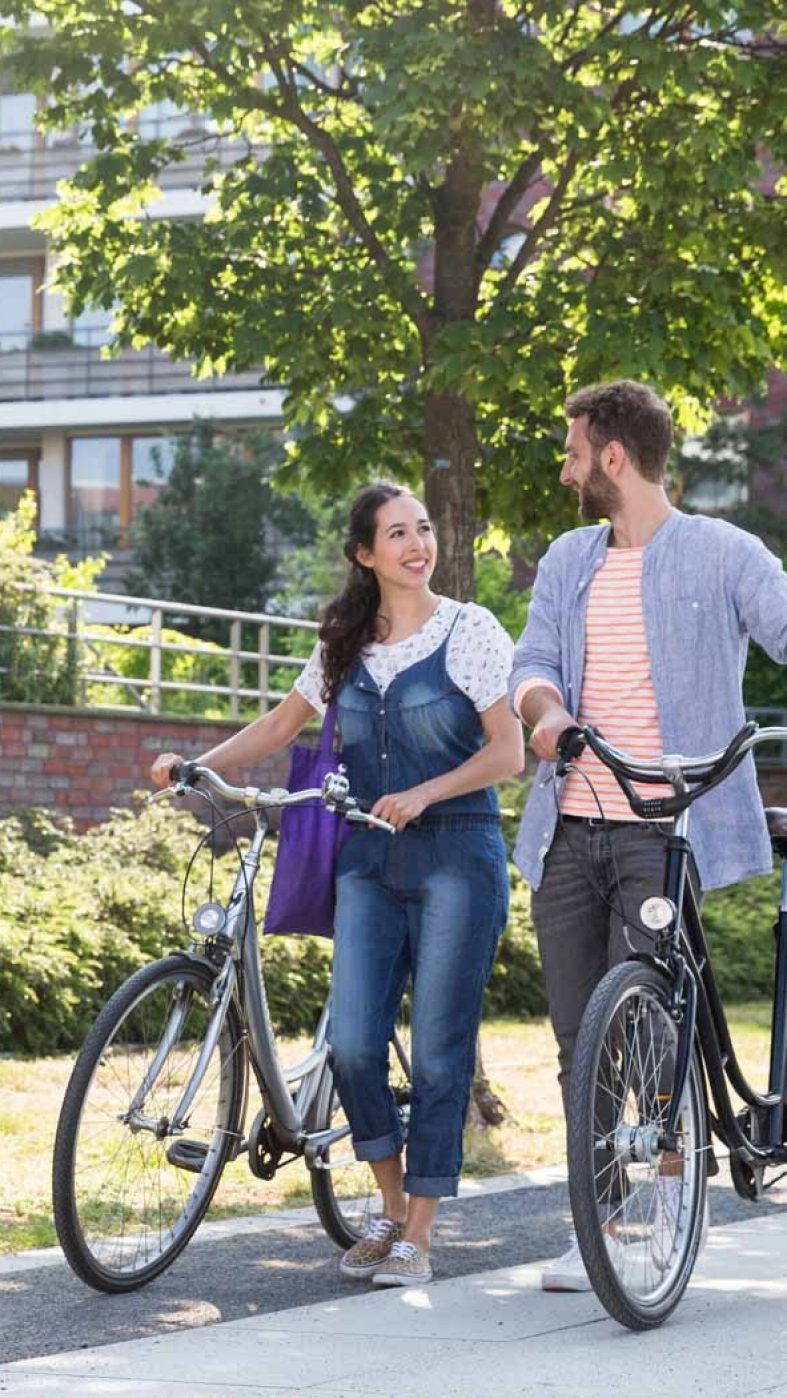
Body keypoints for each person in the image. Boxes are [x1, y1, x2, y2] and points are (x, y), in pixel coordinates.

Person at [152, 481, 523, 1286]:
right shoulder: (342, 641)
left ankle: (417, 1234)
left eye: (422, 528)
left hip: (457, 857)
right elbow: (282, 725)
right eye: (397, 533)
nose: (416, 544)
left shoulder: (471, 630)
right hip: (367, 861)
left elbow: (508, 752)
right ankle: (388, 1210)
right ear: (364, 554)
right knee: (352, 1044)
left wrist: (425, 792)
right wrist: (196, 767)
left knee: (437, 1054)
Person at [508, 379, 787, 1292]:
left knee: (650, 1032)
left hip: (663, 828)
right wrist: (543, 713)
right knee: (575, 1037)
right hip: (569, 822)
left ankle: (664, 1207)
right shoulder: (567, 559)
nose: (563, 467)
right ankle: (597, 1223)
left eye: (572, 450)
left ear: (612, 458)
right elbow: (534, 659)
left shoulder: (723, 553)